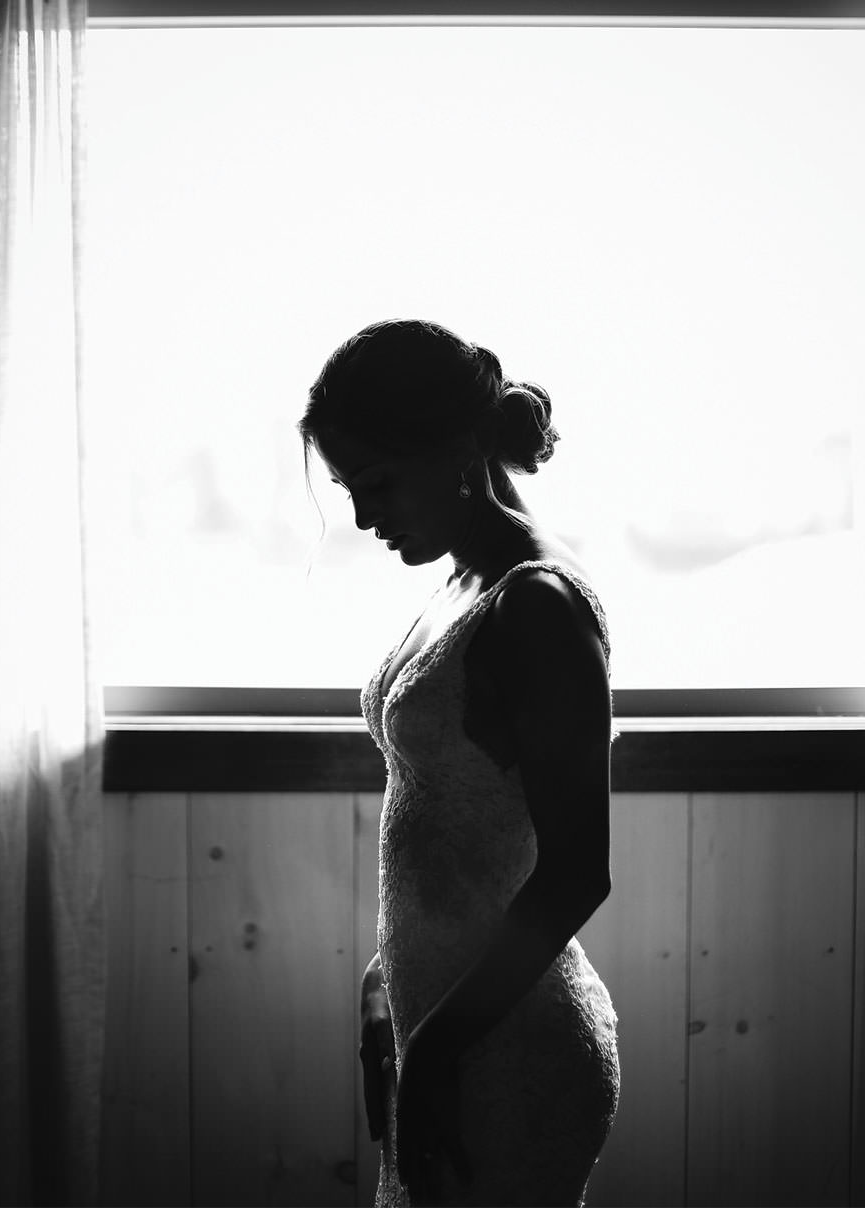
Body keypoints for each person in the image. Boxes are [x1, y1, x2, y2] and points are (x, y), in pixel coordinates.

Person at [300, 320, 619, 1207]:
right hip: (436, 1017)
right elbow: (434, 818)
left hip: (507, 1044)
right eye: (348, 489)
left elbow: (575, 874)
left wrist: (437, 1049)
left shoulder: (539, 608)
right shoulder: (460, 584)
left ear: (461, 449)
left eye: (378, 483)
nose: (363, 518)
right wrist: (385, 987)